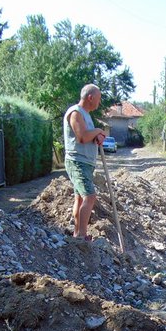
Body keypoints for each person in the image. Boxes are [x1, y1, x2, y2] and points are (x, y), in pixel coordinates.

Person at [63, 84, 106, 240]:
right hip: (77, 161)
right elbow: (82, 137)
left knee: (80, 198)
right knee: (90, 196)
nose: (99, 102)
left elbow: (89, 136)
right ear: (90, 97)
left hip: (85, 162)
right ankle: (82, 235)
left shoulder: (86, 115)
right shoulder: (76, 113)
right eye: (98, 98)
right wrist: (99, 131)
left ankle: (77, 234)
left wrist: (98, 135)